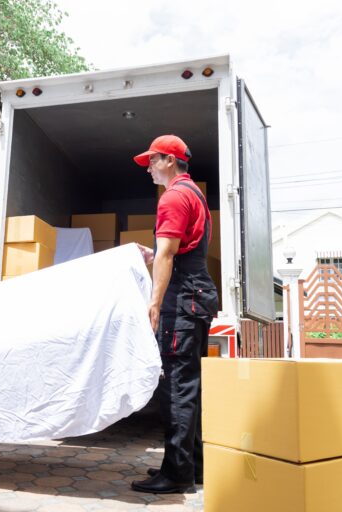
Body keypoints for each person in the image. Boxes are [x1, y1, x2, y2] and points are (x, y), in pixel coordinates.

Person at [129, 135, 218, 494]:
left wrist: (153, 302)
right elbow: (171, 249)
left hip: (182, 301)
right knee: (188, 385)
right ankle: (191, 466)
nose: (148, 168)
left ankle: (177, 474)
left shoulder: (173, 197)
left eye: (152, 160)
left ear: (169, 160)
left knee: (176, 388)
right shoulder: (192, 193)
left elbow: (168, 256)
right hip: (196, 296)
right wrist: (152, 253)